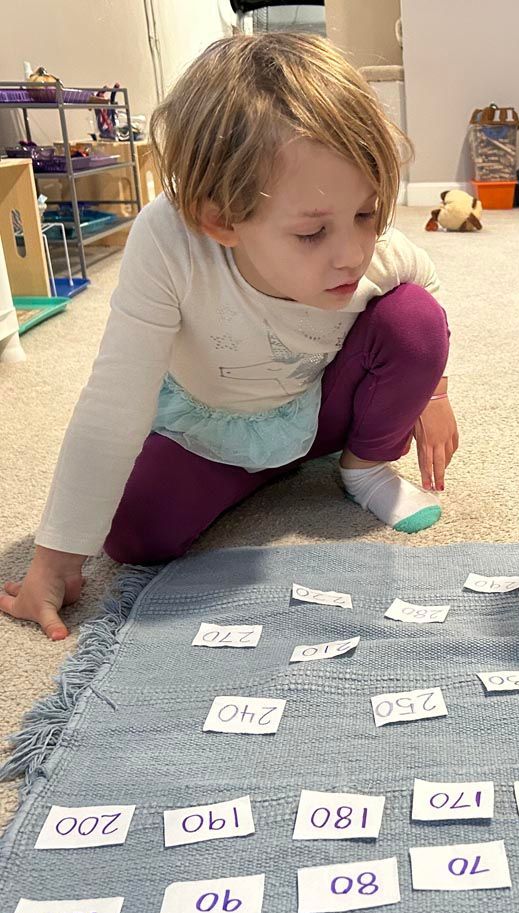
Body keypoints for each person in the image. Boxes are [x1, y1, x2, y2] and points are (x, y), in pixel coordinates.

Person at [1, 33, 458, 641]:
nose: (353, 254)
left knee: (415, 320)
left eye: (367, 214)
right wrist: (54, 559)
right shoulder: (169, 241)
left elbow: (422, 294)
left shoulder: (369, 251)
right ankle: (265, 470)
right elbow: (114, 400)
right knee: (135, 537)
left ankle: (362, 469)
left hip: (314, 408)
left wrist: (433, 396)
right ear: (220, 220)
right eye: (311, 233)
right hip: (210, 424)